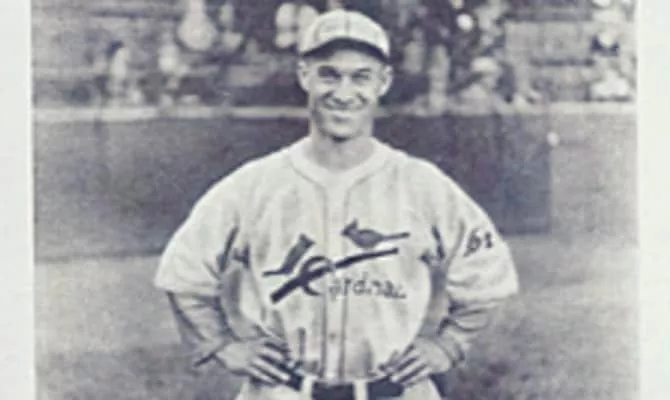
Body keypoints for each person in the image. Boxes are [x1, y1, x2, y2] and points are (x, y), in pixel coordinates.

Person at [154, 9, 518, 400]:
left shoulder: (420, 184)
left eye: (361, 77)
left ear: (383, 82)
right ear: (304, 76)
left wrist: (449, 344)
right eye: (329, 75)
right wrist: (223, 345)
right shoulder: (255, 184)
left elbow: (487, 271)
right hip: (285, 391)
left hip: (393, 391)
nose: (344, 93)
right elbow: (184, 271)